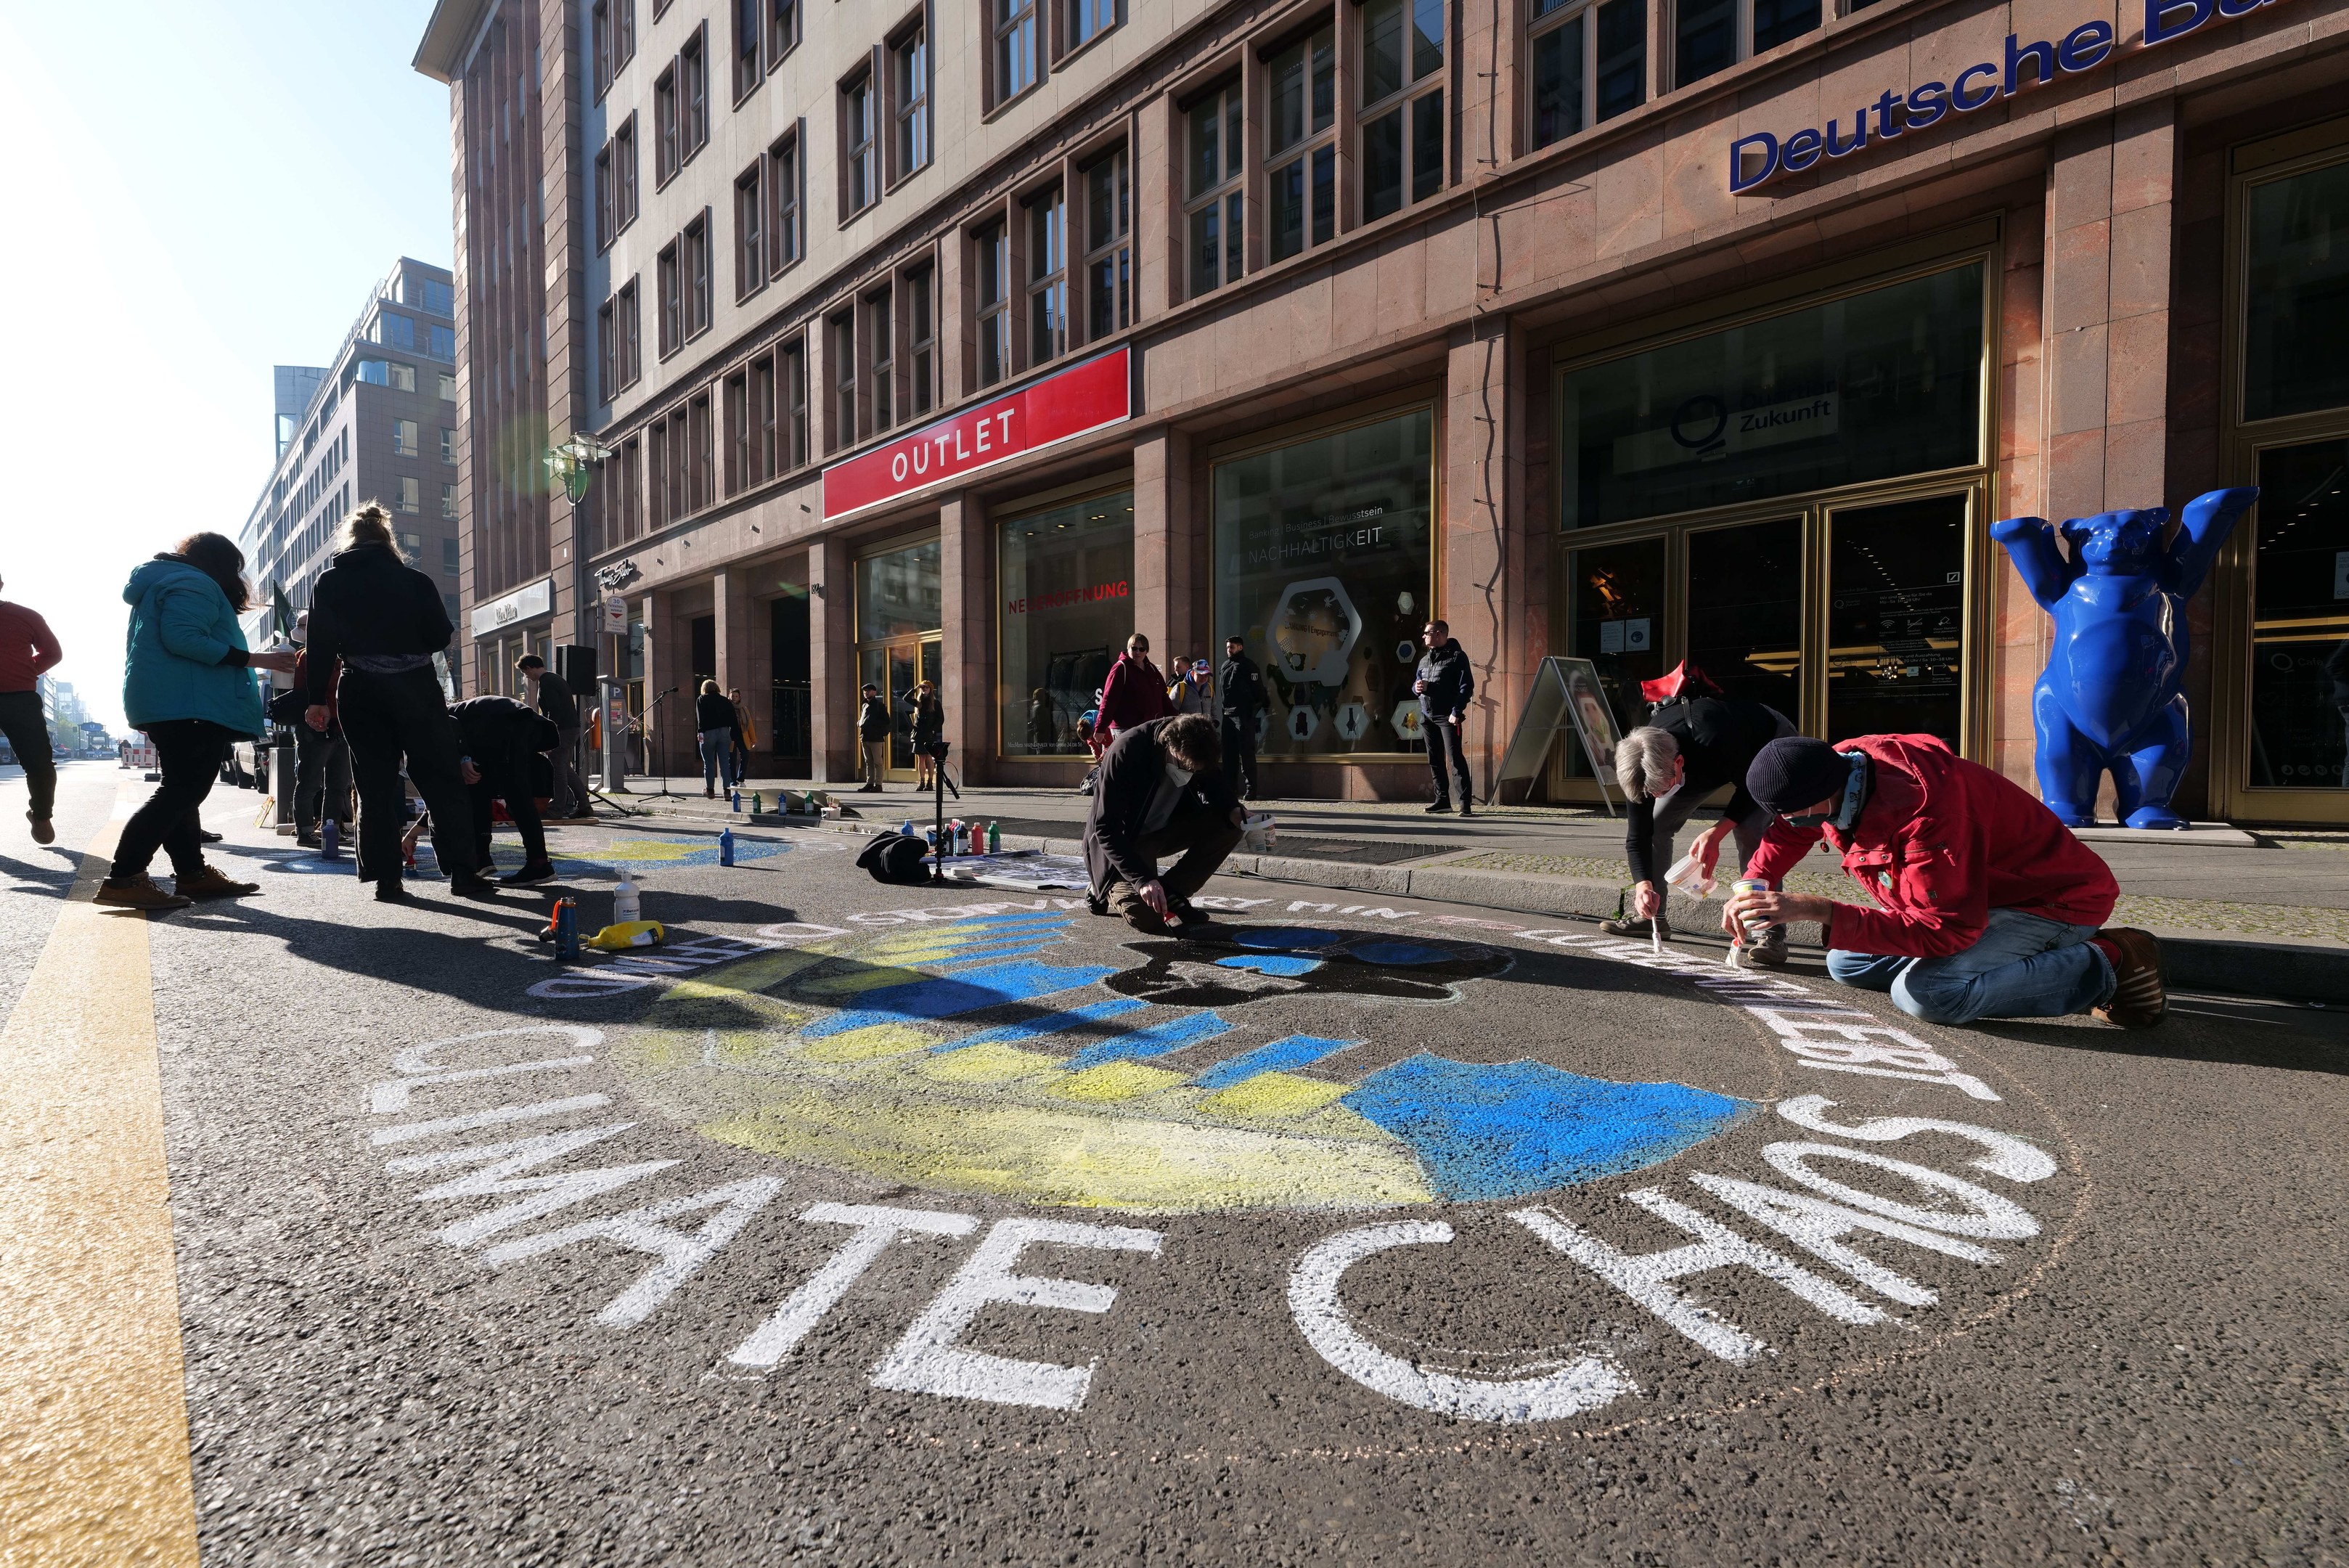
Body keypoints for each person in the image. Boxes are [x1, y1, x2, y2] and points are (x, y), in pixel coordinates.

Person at [1726, 734, 2164, 1028]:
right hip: (1978, 897)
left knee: (1928, 995)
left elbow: (1947, 928)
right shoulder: (1837, 768)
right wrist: (1754, 885)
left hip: (2053, 902)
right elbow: (1790, 831)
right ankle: (2010, 959)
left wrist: (1818, 908)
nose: (1785, 822)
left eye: (1789, 810)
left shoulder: (1929, 818)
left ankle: (2110, 959)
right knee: (1846, 961)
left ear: (1821, 797)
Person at [305, 502, 495, 903]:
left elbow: (319, 644)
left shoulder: (330, 582)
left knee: (373, 786)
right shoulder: (416, 581)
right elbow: (441, 636)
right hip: (416, 687)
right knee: (441, 781)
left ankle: (386, 879)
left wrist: (316, 701)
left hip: (360, 687)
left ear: (350, 541)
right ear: (387, 540)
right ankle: (463, 873)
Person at [94, 534, 296, 910]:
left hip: (173, 700)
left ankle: (193, 874)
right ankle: (124, 878)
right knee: (181, 792)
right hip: (191, 704)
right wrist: (257, 660)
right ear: (221, 564)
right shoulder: (193, 582)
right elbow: (184, 638)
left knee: (183, 793)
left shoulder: (163, 580)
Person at [1601, 693, 1797, 957]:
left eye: (1662, 790)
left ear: (1679, 764)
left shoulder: (1716, 739)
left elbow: (1753, 788)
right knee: (1657, 824)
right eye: (1652, 794)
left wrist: (1717, 831)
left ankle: (1769, 934)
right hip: (1702, 759)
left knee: (1750, 830)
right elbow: (1638, 835)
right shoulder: (1637, 763)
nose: (1656, 797)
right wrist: (1642, 885)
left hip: (1765, 742)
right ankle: (1652, 917)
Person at [1083, 713, 1246, 935]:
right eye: (1185, 767)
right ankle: (1099, 888)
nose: (1189, 775)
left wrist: (1235, 811)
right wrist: (1143, 880)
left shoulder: (1198, 750)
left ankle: (1173, 892)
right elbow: (1106, 829)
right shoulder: (1127, 751)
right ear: (1169, 746)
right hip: (1123, 843)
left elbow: (1215, 785)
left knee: (1232, 823)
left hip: (1164, 832)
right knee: (1149, 918)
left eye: (1196, 771)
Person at [452, 694, 562, 883]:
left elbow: (452, 726)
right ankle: (482, 857)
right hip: (519, 726)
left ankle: (539, 864)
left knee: (517, 796)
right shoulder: (465, 715)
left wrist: (464, 758)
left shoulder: (435, 717)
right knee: (479, 787)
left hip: (507, 727)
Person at [0, 573, 63, 845]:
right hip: (20, 696)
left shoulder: (26, 616)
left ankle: (41, 814)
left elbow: (53, 652)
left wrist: (26, 673)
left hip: (20, 698)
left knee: (39, 764)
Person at [287, 611, 352, 849]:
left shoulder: (341, 656)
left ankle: (330, 829)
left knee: (337, 784)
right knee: (310, 782)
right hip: (316, 726)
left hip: (340, 726)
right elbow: (307, 691)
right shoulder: (306, 656)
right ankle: (306, 832)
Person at [1414, 619, 1475, 816]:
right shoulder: (1424, 660)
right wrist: (1416, 688)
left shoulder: (1457, 657)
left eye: (1427, 633)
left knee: (1455, 758)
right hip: (1427, 716)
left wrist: (1457, 711)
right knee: (1435, 760)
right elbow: (1417, 683)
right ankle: (1442, 801)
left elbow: (1465, 687)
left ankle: (1465, 804)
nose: (1424, 636)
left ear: (1439, 634)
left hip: (1448, 716)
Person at [516, 653, 587, 819]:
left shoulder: (547, 682)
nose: (527, 677)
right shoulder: (555, 679)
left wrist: (548, 739)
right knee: (566, 770)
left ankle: (556, 809)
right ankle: (584, 806)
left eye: (526, 674)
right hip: (569, 729)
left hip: (562, 732)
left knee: (558, 770)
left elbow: (554, 712)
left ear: (530, 668)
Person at [1096, 633, 1169, 743]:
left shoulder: (1152, 669)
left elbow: (1164, 697)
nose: (1138, 652)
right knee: (1130, 760)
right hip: (1126, 728)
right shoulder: (1121, 668)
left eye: (1142, 649)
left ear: (1147, 651)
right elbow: (1109, 699)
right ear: (1128, 649)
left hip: (1151, 728)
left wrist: (1173, 720)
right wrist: (1101, 727)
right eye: (1134, 648)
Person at [1217, 634, 1265, 801]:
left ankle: (1251, 789)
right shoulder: (1224, 666)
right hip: (1227, 715)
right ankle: (1230, 789)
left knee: (1246, 753)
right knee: (1229, 755)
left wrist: (1251, 711)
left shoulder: (1248, 665)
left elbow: (1259, 691)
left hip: (1243, 715)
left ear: (1240, 647)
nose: (1229, 650)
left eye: (1232, 647)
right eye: (1228, 647)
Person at [695, 679, 736, 797]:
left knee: (708, 762)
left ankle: (710, 791)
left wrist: (700, 732)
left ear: (704, 689)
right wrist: (732, 736)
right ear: (716, 688)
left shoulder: (701, 699)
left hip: (708, 733)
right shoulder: (725, 701)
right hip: (724, 732)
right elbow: (733, 719)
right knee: (724, 763)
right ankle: (727, 792)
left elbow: (700, 719)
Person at [908, 679, 944, 791]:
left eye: (926, 687)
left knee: (929, 758)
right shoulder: (919, 702)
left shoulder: (935, 703)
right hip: (919, 734)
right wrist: (916, 688)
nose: (924, 690)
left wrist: (934, 730)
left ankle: (930, 782)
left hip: (929, 734)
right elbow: (906, 698)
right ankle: (922, 782)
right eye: (923, 688)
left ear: (931, 689)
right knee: (921, 758)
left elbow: (941, 719)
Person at [857, 681, 891, 790]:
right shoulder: (864, 704)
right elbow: (862, 719)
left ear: (874, 692)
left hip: (876, 738)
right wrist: (859, 723)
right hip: (865, 737)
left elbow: (887, 721)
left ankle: (879, 784)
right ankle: (869, 783)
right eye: (865, 691)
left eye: (868, 691)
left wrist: (873, 723)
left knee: (878, 762)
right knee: (868, 762)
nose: (866, 693)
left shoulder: (879, 705)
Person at [727, 686, 756, 788]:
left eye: (736, 696)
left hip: (742, 735)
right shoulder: (726, 707)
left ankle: (741, 779)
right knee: (732, 759)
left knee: (745, 756)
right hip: (730, 736)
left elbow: (750, 725)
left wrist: (753, 739)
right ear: (729, 697)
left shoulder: (744, 709)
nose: (734, 698)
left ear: (739, 697)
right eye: (732, 696)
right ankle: (733, 781)